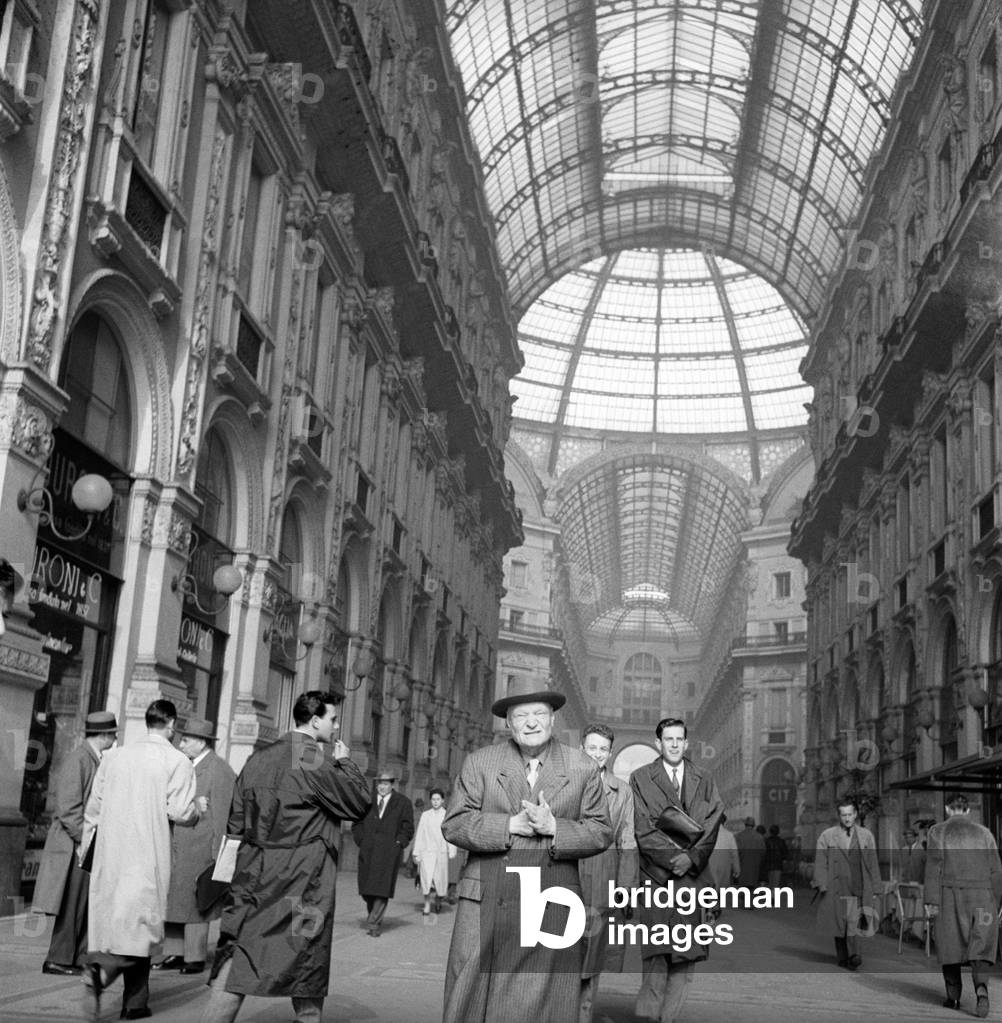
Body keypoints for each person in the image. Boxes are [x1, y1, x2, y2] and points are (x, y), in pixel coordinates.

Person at [441, 676, 612, 1023]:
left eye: (539, 713)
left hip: (551, 902)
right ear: (508, 723)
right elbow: (454, 823)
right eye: (521, 716)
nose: (531, 722)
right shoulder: (480, 763)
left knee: (542, 1005)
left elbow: (601, 831)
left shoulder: (581, 768)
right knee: (471, 1000)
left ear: (553, 719)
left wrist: (554, 829)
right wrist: (508, 826)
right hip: (486, 900)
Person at [199, 689, 370, 1023]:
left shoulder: (259, 758)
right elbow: (358, 803)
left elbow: (236, 823)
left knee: (238, 954)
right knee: (306, 957)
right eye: (332, 719)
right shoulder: (309, 757)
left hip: (254, 876)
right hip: (303, 879)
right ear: (315, 719)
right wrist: (346, 762)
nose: (335, 727)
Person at [81, 699, 198, 1021]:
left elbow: (93, 810)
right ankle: (104, 977)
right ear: (171, 724)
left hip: (112, 854)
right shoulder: (177, 761)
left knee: (121, 926)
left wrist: (86, 853)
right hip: (148, 854)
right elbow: (179, 810)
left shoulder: (114, 757)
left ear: (147, 723)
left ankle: (135, 1002)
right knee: (142, 928)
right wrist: (197, 811)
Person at [631, 717, 723, 1023]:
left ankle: (667, 1019)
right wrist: (675, 858)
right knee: (656, 957)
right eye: (667, 739)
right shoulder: (641, 778)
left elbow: (712, 824)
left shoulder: (705, 778)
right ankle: (648, 1018)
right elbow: (641, 827)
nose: (673, 744)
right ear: (658, 744)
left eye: (678, 739)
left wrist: (693, 858)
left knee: (686, 958)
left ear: (686, 743)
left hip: (693, 881)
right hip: (657, 880)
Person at [32, 711, 118, 975]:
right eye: (113, 734)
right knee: (71, 905)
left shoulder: (92, 758)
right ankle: (58, 958)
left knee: (83, 903)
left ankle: (79, 957)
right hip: (74, 846)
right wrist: (86, 840)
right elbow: (69, 809)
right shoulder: (79, 759)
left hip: (82, 844)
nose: (115, 738)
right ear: (103, 735)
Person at [154, 718, 236, 975]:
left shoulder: (219, 770)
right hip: (179, 846)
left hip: (201, 849)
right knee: (175, 901)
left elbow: (223, 816)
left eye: (186, 739)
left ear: (201, 742)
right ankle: (174, 953)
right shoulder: (187, 765)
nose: (181, 743)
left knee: (198, 904)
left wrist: (218, 855)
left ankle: (195, 956)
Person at [578, 723, 637, 1023]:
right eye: (592, 747)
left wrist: (626, 888)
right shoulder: (564, 783)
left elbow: (628, 840)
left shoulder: (621, 791)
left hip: (603, 875)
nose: (597, 754)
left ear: (610, 753)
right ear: (581, 749)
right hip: (567, 872)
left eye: (603, 749)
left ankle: (583, 1015)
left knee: (593, 952)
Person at [924, 792, 1002, 1015]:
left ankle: (954, 998)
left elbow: (933, 868)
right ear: (968, 810)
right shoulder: (985, 833)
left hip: (950, 896)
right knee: (980, 946)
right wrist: (995, 904)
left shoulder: (937, 831)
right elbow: (996, 871)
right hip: (983, 897)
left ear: (947, 809)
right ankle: (982, 991)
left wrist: (931, 901)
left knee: (950, 946)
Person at [812, 798, 880, 970]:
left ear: (855, 814)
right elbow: (820, 861)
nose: (847, 818)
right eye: (844, 815)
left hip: (858, 885)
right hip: (836, 886)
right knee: (838, 924)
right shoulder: (827, 836)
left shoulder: (866, 836)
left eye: (850, 814)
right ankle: (843, 956)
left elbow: (872, 862)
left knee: (854, 922)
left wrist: (876, 887)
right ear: (839, 816)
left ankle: (855, 955)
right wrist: (821, 882)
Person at [352, 768, 414, 936]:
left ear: (392, 785)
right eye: (380, 783)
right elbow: (356, 822)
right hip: (368, 851)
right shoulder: (366, 801)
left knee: (381, 889)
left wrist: (399, 843)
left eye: (386, 784)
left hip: (388, 853)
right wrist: (361, 840)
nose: (382, 787)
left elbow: (408, 828)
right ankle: (373, 915)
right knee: (367, 890)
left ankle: (373, 923)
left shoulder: (403, 803)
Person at [411, 787, 456, 915]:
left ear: (442, 800)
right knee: (426, 880)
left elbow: (450, 834)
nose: (435, 802)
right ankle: (426, 904)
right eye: (433, 799)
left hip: (441, 853)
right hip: (427, 853)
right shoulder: (425, 815)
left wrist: (451, 849)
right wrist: (417, 852)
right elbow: (420, 833)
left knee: (439, 881)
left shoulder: (446, 815)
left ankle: (438, 900)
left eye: (438, 799)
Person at [707, 813, 740, 889]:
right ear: (724, 822)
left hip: (709, 862)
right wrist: (736, 868)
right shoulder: (729, 835)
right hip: (724, 862)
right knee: (722, 886)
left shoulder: (707, 833)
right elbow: (734, 854)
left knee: (711, 885)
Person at [735, 816, 766, 887]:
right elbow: (763, 853)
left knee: (743, 887)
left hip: (742, 866)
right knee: (752, 887)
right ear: (754, 825)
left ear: (745, 824)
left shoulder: (738, 836)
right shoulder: (759, 837)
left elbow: (735, 853)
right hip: (755, 867)